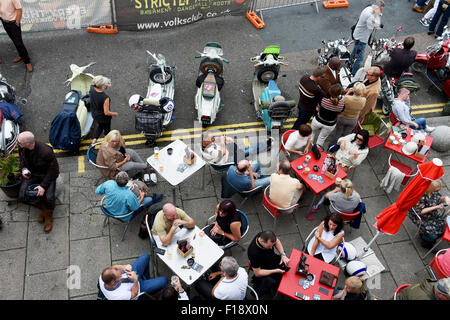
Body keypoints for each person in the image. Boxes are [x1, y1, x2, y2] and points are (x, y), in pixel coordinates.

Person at [18, 131, 59, 233]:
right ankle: (44, 210)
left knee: (49, 197)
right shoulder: (22, 148)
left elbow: (54, 171)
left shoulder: (46, 151)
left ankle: (48, 217)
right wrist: (24, 170)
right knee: (22, 196)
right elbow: (22, 160)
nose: (18, 144)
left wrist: (43, 186)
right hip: (33, 174)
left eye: (19, 142)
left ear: (27, 143)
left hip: (47, 176)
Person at [95, 171, 162, 221]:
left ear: (116, 178)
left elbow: (97, 191)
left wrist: (110, 192)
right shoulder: (129, 194)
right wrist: (142, 196)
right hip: (123, 216)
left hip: (108, 210)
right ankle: (154, 199)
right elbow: (135, 208)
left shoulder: (109, 183)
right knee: (149, 199)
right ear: (127, 182)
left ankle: (154, 197)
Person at [99, 253, 168, 300]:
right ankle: (146, 284)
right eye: (119, 276)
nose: (121, 274)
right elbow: (134, 294)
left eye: (117, 270)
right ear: (112, 282)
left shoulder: (102, 277)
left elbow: (113, 267)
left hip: (131, 274)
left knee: (146, 256)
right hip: (138, 287)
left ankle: (147, 278)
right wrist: (135, 280)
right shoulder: (118, 296)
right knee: (165, 280)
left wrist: (124, 267)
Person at [408, 180, 450, 249]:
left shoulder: (433, 192)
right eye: (436, 191)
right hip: (421, 217)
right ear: (430, 188)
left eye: (438, 191)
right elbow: (420, 211)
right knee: (433, 236)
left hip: (432, 214)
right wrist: (436, 207)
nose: (437, 192)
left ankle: (427, 238)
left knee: (444, 227)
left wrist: (445, 199)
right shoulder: (421, 196)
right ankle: (425, 240)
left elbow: (438, 199)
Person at [247, 230, 290, 298]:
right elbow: (258, 273)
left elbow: (277, 241)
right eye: (269, 246)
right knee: (274, 281)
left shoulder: (264, 236)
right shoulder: (253, 253)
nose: (271, 248)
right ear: (261, 241)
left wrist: (283, 255)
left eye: (272, 246)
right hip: (263, 268)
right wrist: (276, 270)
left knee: (288, 266)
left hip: (272, 260)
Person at [350, 1, 384, 75]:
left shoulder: (368, 8)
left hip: (358, 35)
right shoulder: (369, 15)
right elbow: (377, 25)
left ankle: (350, 62)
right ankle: (353, 73)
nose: (381, 12)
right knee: (359, 58)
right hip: (361, 39)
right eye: (381, 9)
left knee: (355, 51)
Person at [201, 130, 272, 165]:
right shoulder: (210, 151)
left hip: (226, 153)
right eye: (212, 138)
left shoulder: (206, 142)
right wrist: (222, 142)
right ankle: (266, 145)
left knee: (248, 148)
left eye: (213, 137)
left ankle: (266, 145)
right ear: (205, 142)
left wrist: (224, 138)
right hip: (227, 159)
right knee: (249, 150)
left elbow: (216, 139)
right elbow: (223, 153)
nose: (213, 139)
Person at [0, 0, 33, 72]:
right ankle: (21, 55)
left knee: (18, 42)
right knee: (14, 40)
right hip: (4, 22)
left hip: (13, 23)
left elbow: (19, 10)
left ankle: (27, 61)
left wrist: (17, 22)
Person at [310, 83, 345, 148]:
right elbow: (340, 115)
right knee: (322, 138)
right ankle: (316, 151)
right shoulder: (342, 105)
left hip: (318, 120)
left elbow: (317, 108)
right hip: (329, 125)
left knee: (311, 133)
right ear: (339, 93)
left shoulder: (323, 100)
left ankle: (309, 146)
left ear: (330, 91)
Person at [90, 75, 118, 145]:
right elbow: (106, 112)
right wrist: (114, 114)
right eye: (105, 84)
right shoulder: (105, 98)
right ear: (103, 86)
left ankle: (94, 140)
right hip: (104, 117)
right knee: (107, 130)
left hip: (95, 114)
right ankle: (107, 142)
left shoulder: (92, 89)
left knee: (100, 126)